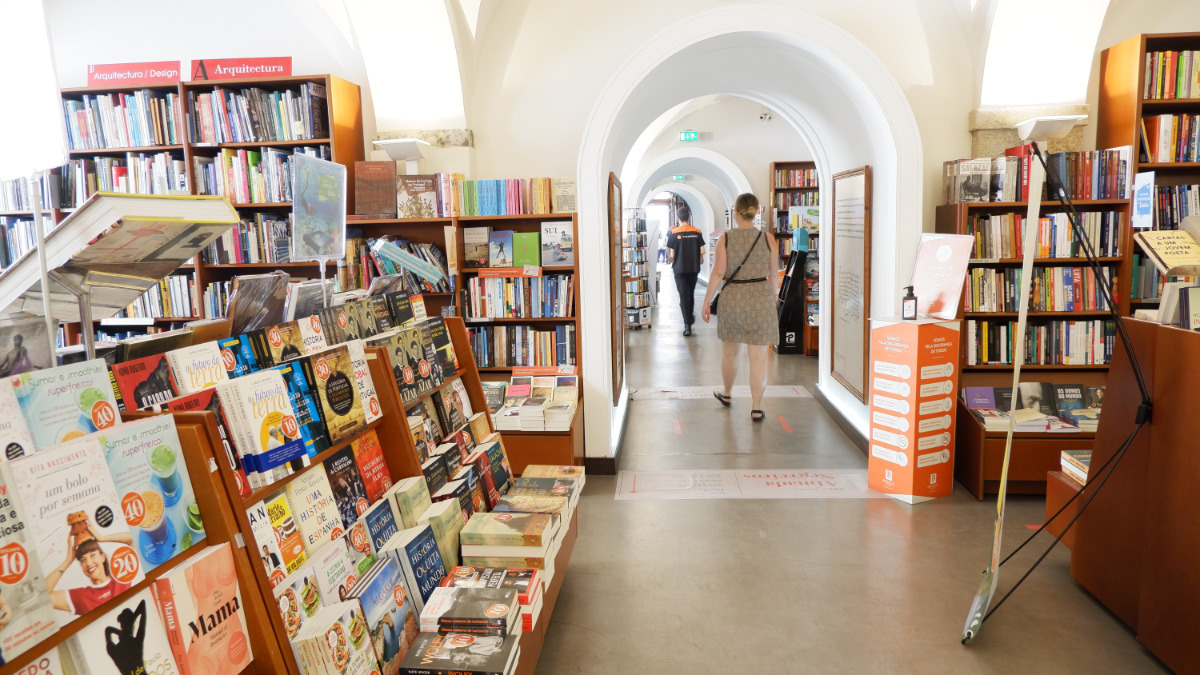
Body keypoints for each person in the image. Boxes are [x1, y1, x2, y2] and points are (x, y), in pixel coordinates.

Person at [700, 193, 780, 421]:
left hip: (732, 299)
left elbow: (718, 272)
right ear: (756, 212)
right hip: (760, 300)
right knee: (758, 358)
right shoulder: (768, 239)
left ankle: (726, 393)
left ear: (735, 212)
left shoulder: (725, 239)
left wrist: (706, 301)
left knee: (730, 353)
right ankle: (756, 407)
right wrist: (774, 295)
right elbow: (774, 273)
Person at [48, 531, 136, 616]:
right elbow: (44, 597)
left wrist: (102, 538)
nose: (89, 563)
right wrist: (67, 561)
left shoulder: (122, 577)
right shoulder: (81, 597)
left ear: (102, 557)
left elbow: (132, 538)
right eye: (83, 560)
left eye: (92, 555)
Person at [665, 203, 706, 335]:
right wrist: (699, 256)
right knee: (690, 293)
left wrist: (671, 257)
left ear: (678, 218)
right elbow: (703, 251)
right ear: (689, 217)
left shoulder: (673, 232)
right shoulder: (697, 231)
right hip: (693, 268)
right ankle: (689, 318)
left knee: (683, 295)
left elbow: (671, 254)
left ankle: (687, 325)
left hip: (679, 269)